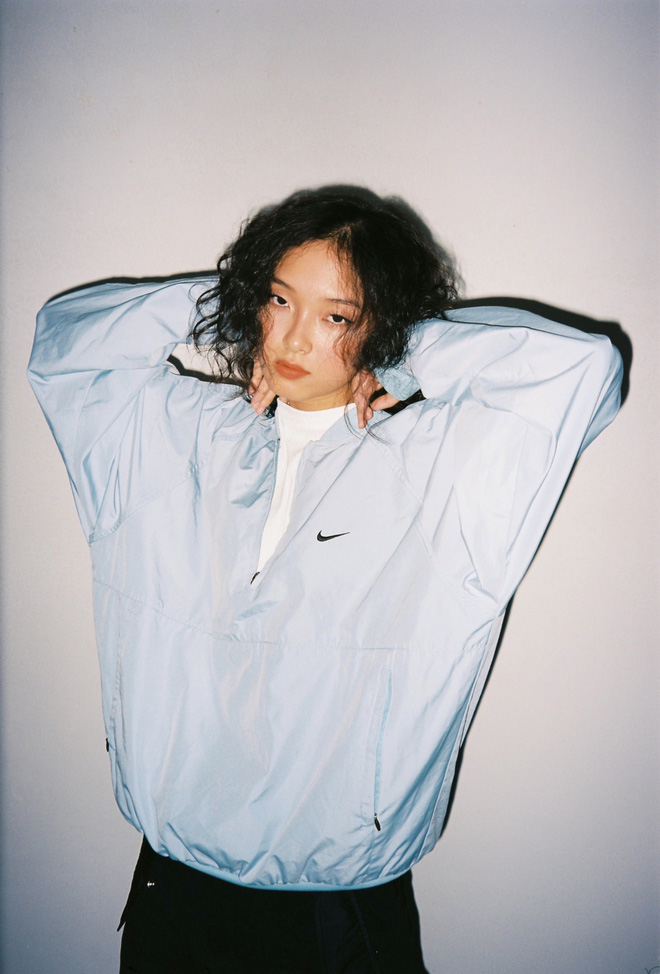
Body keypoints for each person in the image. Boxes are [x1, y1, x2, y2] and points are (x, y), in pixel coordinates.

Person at [28, 186, 622, 973]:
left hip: (336, 912)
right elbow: (66, 343)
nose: (294, 335)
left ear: (379, 321)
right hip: (173, 890)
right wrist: (229, 307)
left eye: (336, 315)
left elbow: (584, 369)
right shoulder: (174, 439)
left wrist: (401, 352)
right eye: (279, 300)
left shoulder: (440, 469)